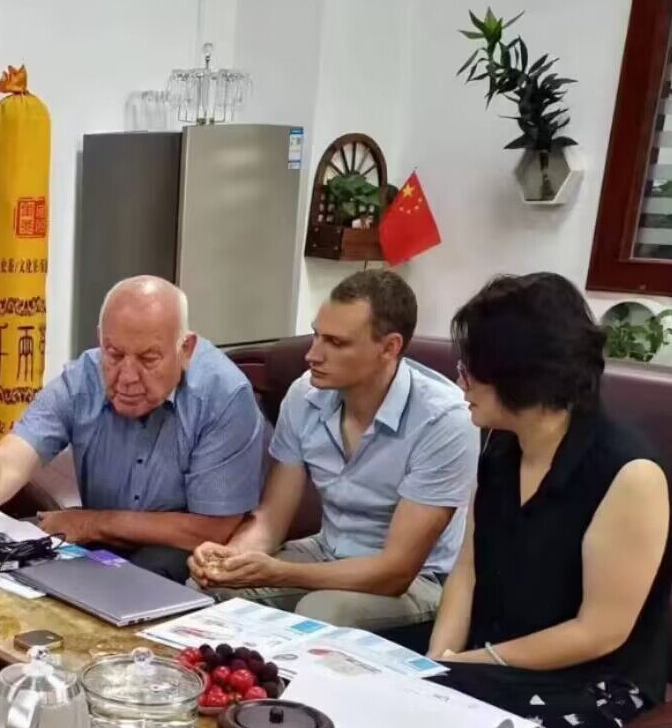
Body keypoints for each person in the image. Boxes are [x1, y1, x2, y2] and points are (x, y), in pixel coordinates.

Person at [426, 273, 672, 728]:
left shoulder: (629, 473)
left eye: (470, 370)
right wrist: (437, 659)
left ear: (517, 375)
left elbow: (599, 631)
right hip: (492, 662)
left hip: (592, 683)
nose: (460, 383)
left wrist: (472, 664)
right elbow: (468, 568)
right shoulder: (499, 446)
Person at [0, 275, 266, 582]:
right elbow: (7, 460)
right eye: (114, 354)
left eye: (148, 359)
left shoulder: (223, 395)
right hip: (104, 540)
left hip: (181, 549)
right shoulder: (83, 379)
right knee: (12, 569)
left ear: (185, 349)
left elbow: (214, 528)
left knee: (142, 576)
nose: (127, 376)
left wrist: (92, 523)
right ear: (101, 340)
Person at [189, 270, 479, 631]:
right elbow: (271, 520)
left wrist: (279, 573)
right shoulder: (304, 395)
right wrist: (232, 558)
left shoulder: (444, 420)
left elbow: (395, 571)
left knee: (321, 611)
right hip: (326, 551)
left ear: (389, 347)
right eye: (316, 335)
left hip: (418, 579)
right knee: (205, 591)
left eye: (336, 343)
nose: (313, 355)